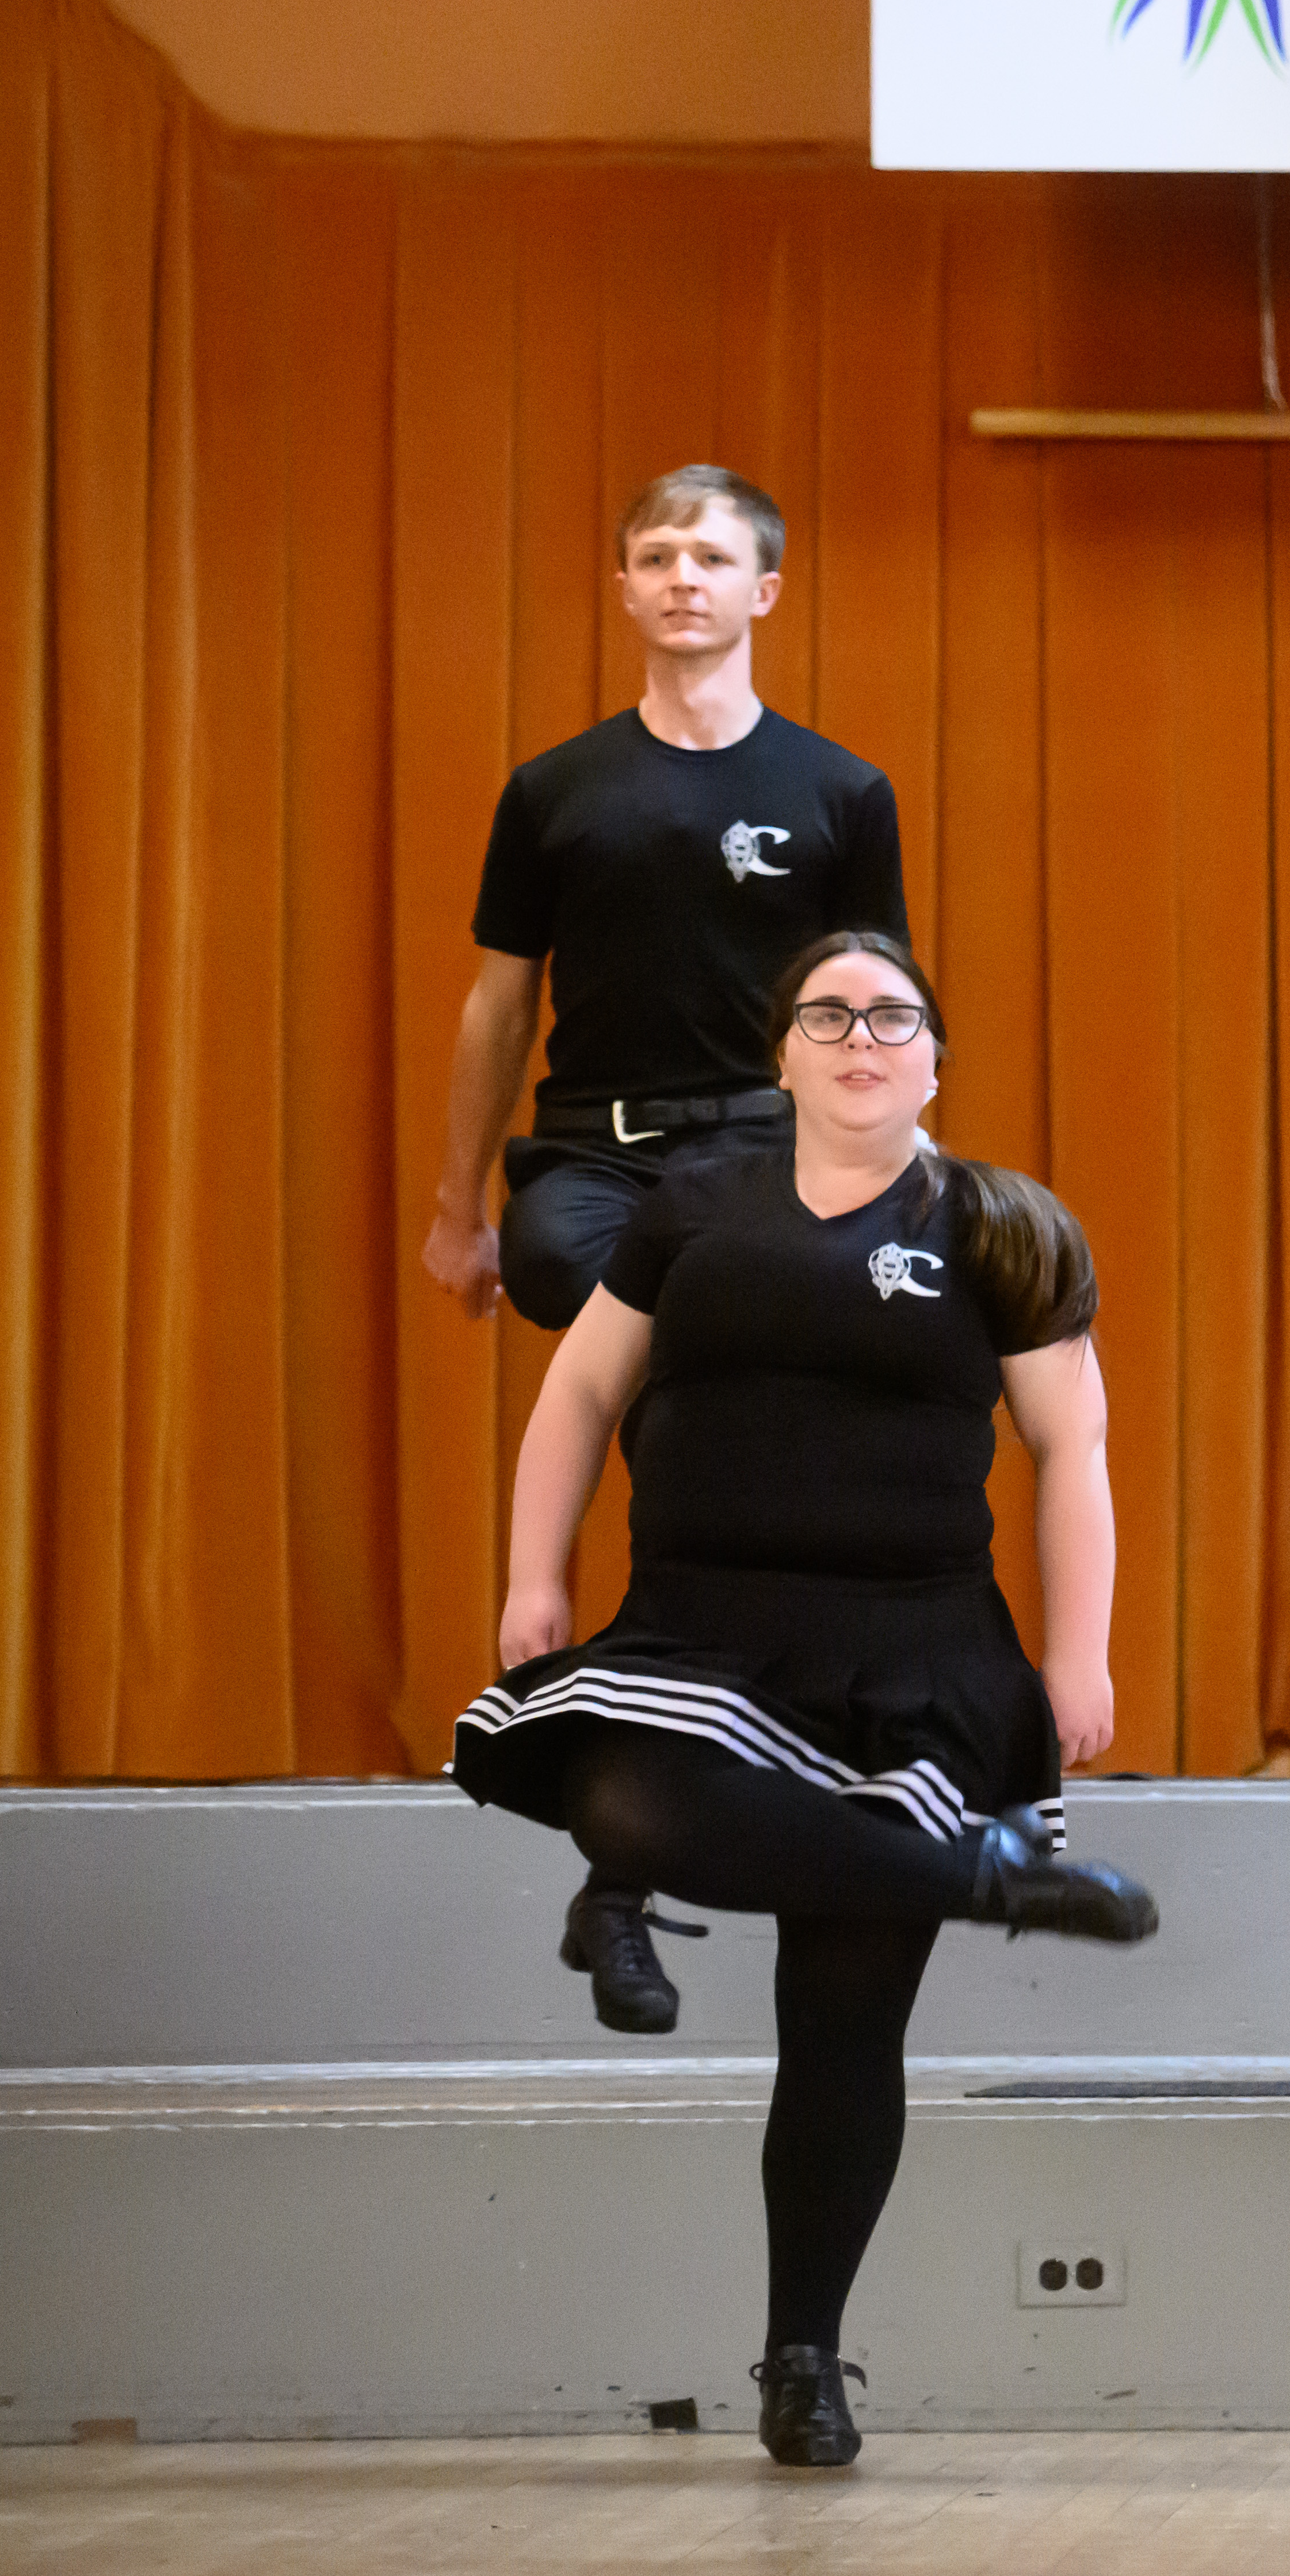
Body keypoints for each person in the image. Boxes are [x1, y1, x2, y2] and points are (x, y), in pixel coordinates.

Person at [445, 933, 1159, 2470]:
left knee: (841, 2027)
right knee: (629, 1792)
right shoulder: (689, 1207)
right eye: (826, 1013)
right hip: (704, 1635)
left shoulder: (999, 1225)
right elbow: (578, 1388)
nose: (858, 1035)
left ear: (932, 1058)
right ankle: (983, 1879)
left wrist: (1078, 1652)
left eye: (890, 1016)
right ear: (780, 1054)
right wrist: (530, 1576)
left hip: (916, 1662)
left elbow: (1076, 1445)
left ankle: (804, 2358)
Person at [422, 465, 912, 2035]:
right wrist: (457, 1209)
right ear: (625, 590)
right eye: (655, 554)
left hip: (765, 1158)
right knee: (660, 1354)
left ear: (765, 589)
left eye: (712, 554)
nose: (683, 574)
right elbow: (498, 1004)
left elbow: (876, 1006)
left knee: (715, 1469)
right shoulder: (556, 789)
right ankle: (653, 1827)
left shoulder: (841, 790)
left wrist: (898, 1178)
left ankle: (619, 1872)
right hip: (587, 1166)